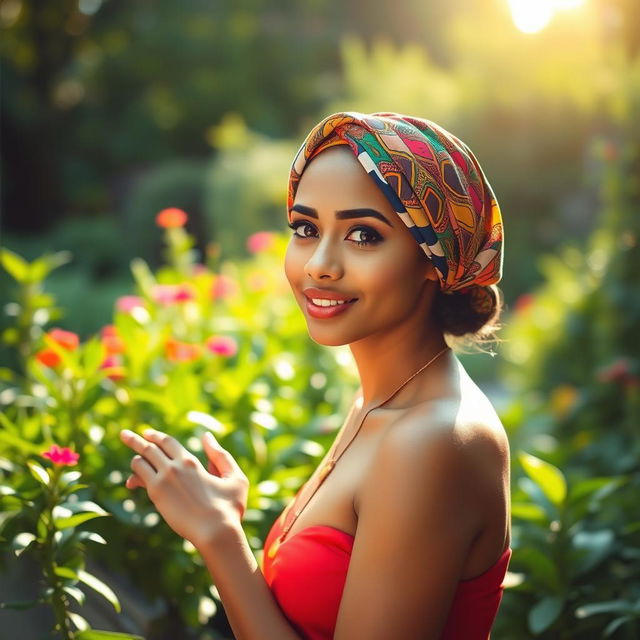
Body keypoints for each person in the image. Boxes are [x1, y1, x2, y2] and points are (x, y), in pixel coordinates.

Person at [120, 111, 512, 640]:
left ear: (432, 260)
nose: (319, 265)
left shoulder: (433, 439)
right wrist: (223, 520)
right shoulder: (379, 403)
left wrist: (218, 537)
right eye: (305, 229)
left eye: (363, 235)